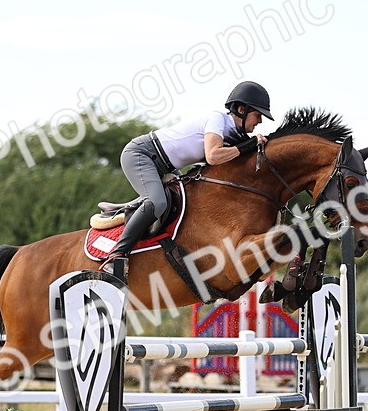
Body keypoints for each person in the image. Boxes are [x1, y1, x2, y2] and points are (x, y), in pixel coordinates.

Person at [102, 80, 273, 273]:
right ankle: (116, 255)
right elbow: (213, 155)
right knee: (158, 203)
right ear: (241, 109)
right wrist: (248, 146)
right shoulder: (218, 119)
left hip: (166, 167)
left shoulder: (235, 134)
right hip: (142, 155)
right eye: (257, 115)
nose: (259, 121)